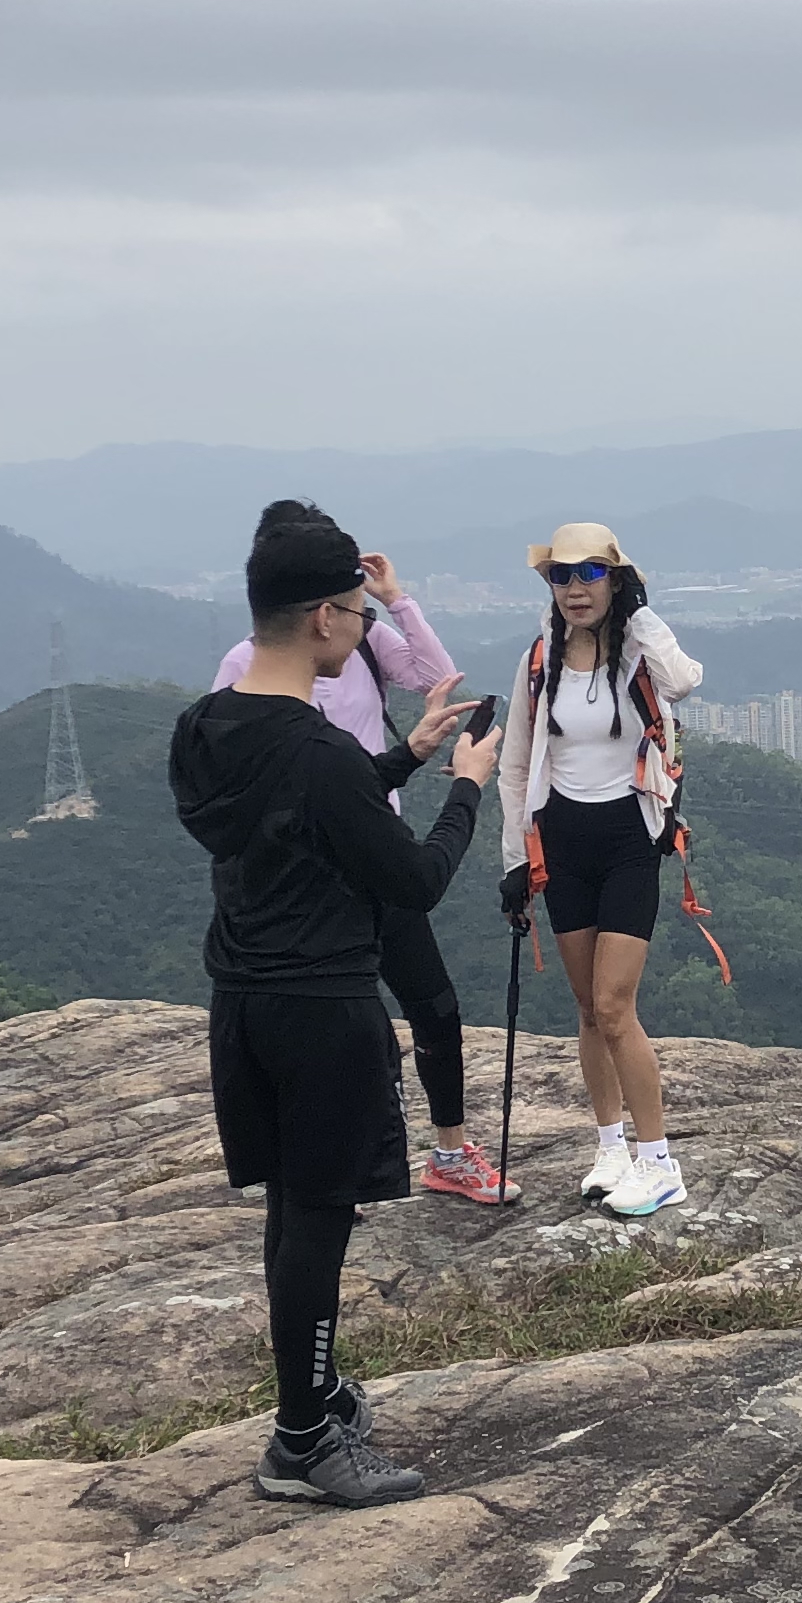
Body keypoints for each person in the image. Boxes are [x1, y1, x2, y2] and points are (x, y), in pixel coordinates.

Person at [169, 504, 503, 1510]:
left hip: (244, 1003)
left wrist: (401, 759)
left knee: (290, 1211)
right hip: (325, 1008)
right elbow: (410, 879)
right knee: (319, 1219)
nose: (365, 630)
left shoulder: (205, 728)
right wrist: (464, 788)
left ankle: (314, 1398)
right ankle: (305, 1438)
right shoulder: (313, 749)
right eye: (358, 614)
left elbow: (297, 813)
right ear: (321, 617)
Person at [212, 511, 504, 1203]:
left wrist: (391, 601)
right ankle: (324, 1175)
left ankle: (449, 1151)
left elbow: (439, 675)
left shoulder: (366, 641)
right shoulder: (244, 668)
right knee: (342, 1026)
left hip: (378, 844)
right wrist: (462, 783)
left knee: (434, 1005)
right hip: (315, 874)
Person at [495, 521, 706, 1217]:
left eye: (590, 574)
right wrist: (512, 859)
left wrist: (640, 613)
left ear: (615, 579)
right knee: (587, 1008)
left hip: (628, 837)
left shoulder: (639, 655)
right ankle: (610, 1144)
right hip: (562, 836)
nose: (574, 588)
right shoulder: (540, 659)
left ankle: (658, 1160)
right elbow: (516, 764)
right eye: (561, 575)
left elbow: (685, 681)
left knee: (616, 1007)